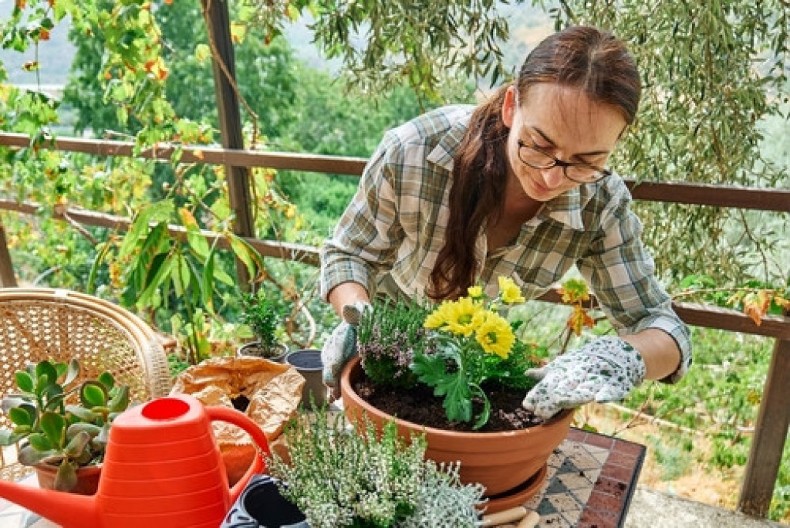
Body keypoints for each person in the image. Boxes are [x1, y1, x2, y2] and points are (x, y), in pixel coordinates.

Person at [319, 25, 691, 419]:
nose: (551, 177)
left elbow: (665, 329)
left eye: (586, 162)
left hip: (478, 369)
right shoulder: (415, 151)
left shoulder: (600, 204)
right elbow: (348, 254)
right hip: (388, 360)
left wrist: (622, 358)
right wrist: (362, 319)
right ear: (512, 106)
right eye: (539, 145)